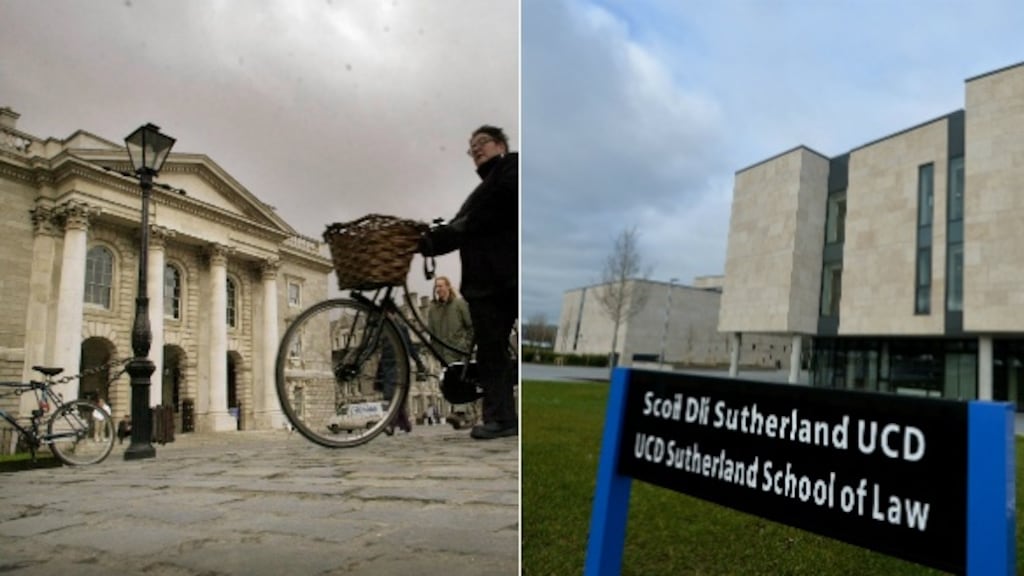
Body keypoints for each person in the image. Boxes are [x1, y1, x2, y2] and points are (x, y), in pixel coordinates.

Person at [419, 125, 518, 440]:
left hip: (510, 274)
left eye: (482, 143)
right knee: (491, 352)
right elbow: (459, 229)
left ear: (500, 144)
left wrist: (457, 228)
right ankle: (502, 419)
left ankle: (505, 414)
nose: (476, 149)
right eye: (471, 146)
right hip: (484, 284)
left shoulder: (512, 168)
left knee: (498, 351)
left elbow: (491, 211)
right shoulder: (478, 192)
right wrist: (427, 242)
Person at [427, 276, 478, 429]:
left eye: (442, 286)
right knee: (454, 384)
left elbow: (471, 325)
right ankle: (467, 414)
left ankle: (461, 413)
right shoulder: (433, 310)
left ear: (448, 287)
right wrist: (436, 352)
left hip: (461, 350)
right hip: (445, 353)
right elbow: (432, 334)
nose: (439, 289)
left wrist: (467, 344)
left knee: (464, 381)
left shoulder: (459, 304)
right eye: (437, 287)